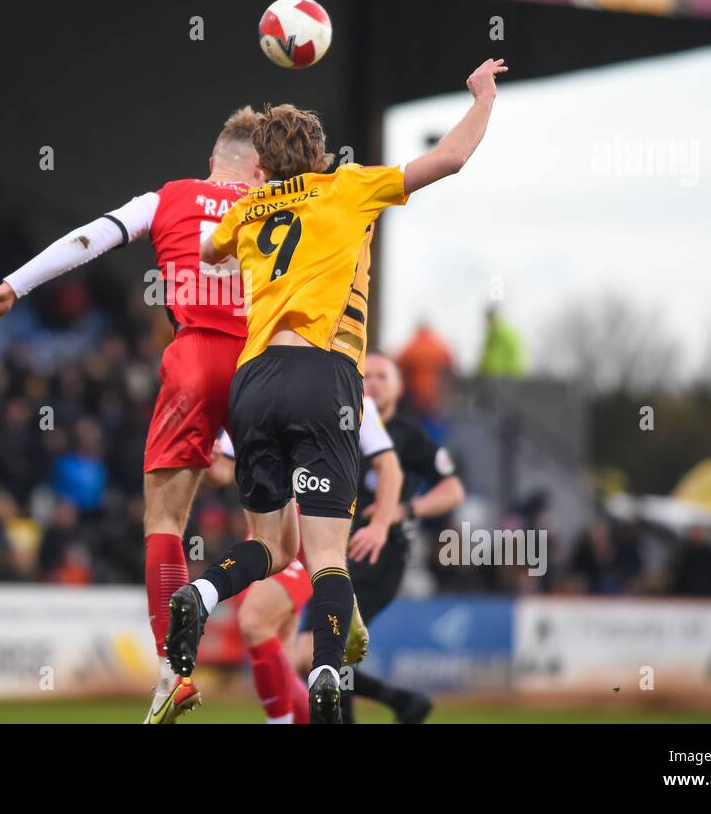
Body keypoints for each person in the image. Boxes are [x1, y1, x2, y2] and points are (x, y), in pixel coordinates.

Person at [170, 57, 506, 722]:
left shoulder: (253, 205)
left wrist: (248, 189)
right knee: (325, 558)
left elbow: (209, 250)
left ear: (265, 164)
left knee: (272, 546)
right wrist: (483, 97)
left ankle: (202, 596)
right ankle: (325, 670)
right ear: (321, 155)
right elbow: (450, 158)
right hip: (320, 376)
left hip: (253, 381)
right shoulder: (348, 186)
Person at [0, 108, 265, 723]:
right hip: (266, 365)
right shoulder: (281, 205)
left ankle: (173, 672)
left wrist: (14, 286)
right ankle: (335, 640)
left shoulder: (168, 197)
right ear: (258, 170)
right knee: (283, 539)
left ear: (213, 162)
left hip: (195, 361)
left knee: (163, 520)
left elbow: (87, 239)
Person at [206, 393, 402, 724]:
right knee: (279, 658)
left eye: (384, 374)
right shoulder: (258, 389)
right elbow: (223, 472)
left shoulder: (352, 399)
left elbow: (390, 468)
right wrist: (206, 458)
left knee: (254, 622)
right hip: (264, 535)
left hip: (307, 542)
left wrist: (381, 525)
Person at [343, 352, 465, 723]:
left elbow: (453, 490)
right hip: (338, 554)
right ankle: (404, 703)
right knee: (320, 653)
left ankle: (401, 702)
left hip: (381, 557)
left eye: (383, 376)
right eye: (368, 376)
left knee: (329, 649)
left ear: (399, 386)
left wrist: (403, 510)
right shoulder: (346, 426)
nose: (374, 383)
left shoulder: (410, 437)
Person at [478, 306, 524, 377]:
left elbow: (513, 355)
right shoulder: (492, 334)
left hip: (503, 375)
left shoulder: (503, 334)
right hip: (495, 375)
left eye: (490, 318)